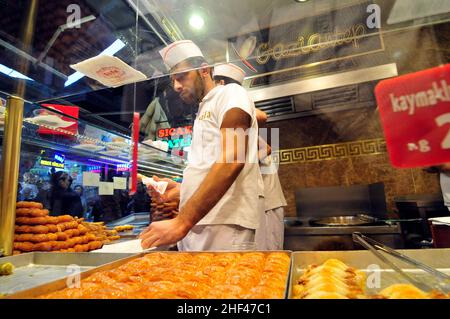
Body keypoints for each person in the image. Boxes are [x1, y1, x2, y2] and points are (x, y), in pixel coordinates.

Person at [140, 40, 260, 251]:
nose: (176, 86)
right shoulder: (203, 110)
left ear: (204, 70)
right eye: (172, 80)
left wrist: (181, 222)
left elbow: (232, 160)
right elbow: (208, 167)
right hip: (200, 224)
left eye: (181, 76)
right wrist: (180, 189)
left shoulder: (231, 93)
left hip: (223, 225)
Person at [213, 63, 287, 250]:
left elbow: (266, 144)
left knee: (269, 256)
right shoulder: (235, 116)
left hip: (269, 201)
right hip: (263, 200)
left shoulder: (239, 109)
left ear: (221, 84)